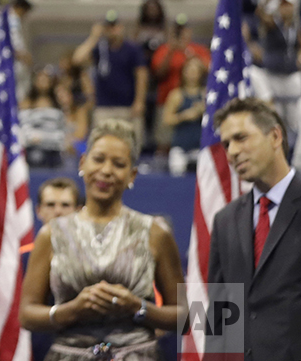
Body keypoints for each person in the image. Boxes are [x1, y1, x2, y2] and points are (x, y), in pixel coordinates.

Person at [20, 120, 184, 360]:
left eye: (118, 164)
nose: (106, 170)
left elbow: (185, 315)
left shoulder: (155, 233)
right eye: (98, 160)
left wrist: (137, 307)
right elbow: (26, 315)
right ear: (82, 163)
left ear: (132, 175)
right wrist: (72, 310)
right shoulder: (51, 234)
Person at [207, 98, 301, 361]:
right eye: (226, 143)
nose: (231, 151)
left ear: (275, 136)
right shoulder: (224, 220)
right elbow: (218, 312)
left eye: (241, 138)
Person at [21, 178, 81, 361]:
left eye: (65, 205)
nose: (57, 211)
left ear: (79, 210)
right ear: (38, 210)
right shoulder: (19, 260)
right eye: (50, 205)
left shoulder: (99, 259)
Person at [72, 13, 150, 153]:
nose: (112, 30)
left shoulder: (132, 48)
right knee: (101, 144)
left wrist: (139, 101)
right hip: (104, 106)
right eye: (108, 27)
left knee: (131, 145)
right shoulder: (100, 48)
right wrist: (94, 37)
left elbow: (141, 75)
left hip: (128, 106)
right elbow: (77, 59)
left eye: (114, 26)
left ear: (121, 27)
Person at [247, 0, 301, 132]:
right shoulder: (273, 24)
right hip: (274, 74)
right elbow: (260, 14)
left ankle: (294, 147)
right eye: (283, 6)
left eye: (288, 5)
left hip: (290, 73)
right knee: (277, 117)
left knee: (294, 118)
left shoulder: (294, 26)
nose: (286, 9)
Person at [20, 68, 71, 168]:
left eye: (46, 79)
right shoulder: (26, 103)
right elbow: (23, 127)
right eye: (40, 79)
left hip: (53, 152)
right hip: (31, 150)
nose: (43, 82)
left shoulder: (59, 105)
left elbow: (63, 130)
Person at [160, 55, 206, 156]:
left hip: (200, 145)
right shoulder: (176, 95)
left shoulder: (206, 94)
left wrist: (204, 111)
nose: (192, 74)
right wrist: (184, 116)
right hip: (180, 145)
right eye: (189, 70)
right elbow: (166, 120)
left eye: (195, 71)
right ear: (183, 72)